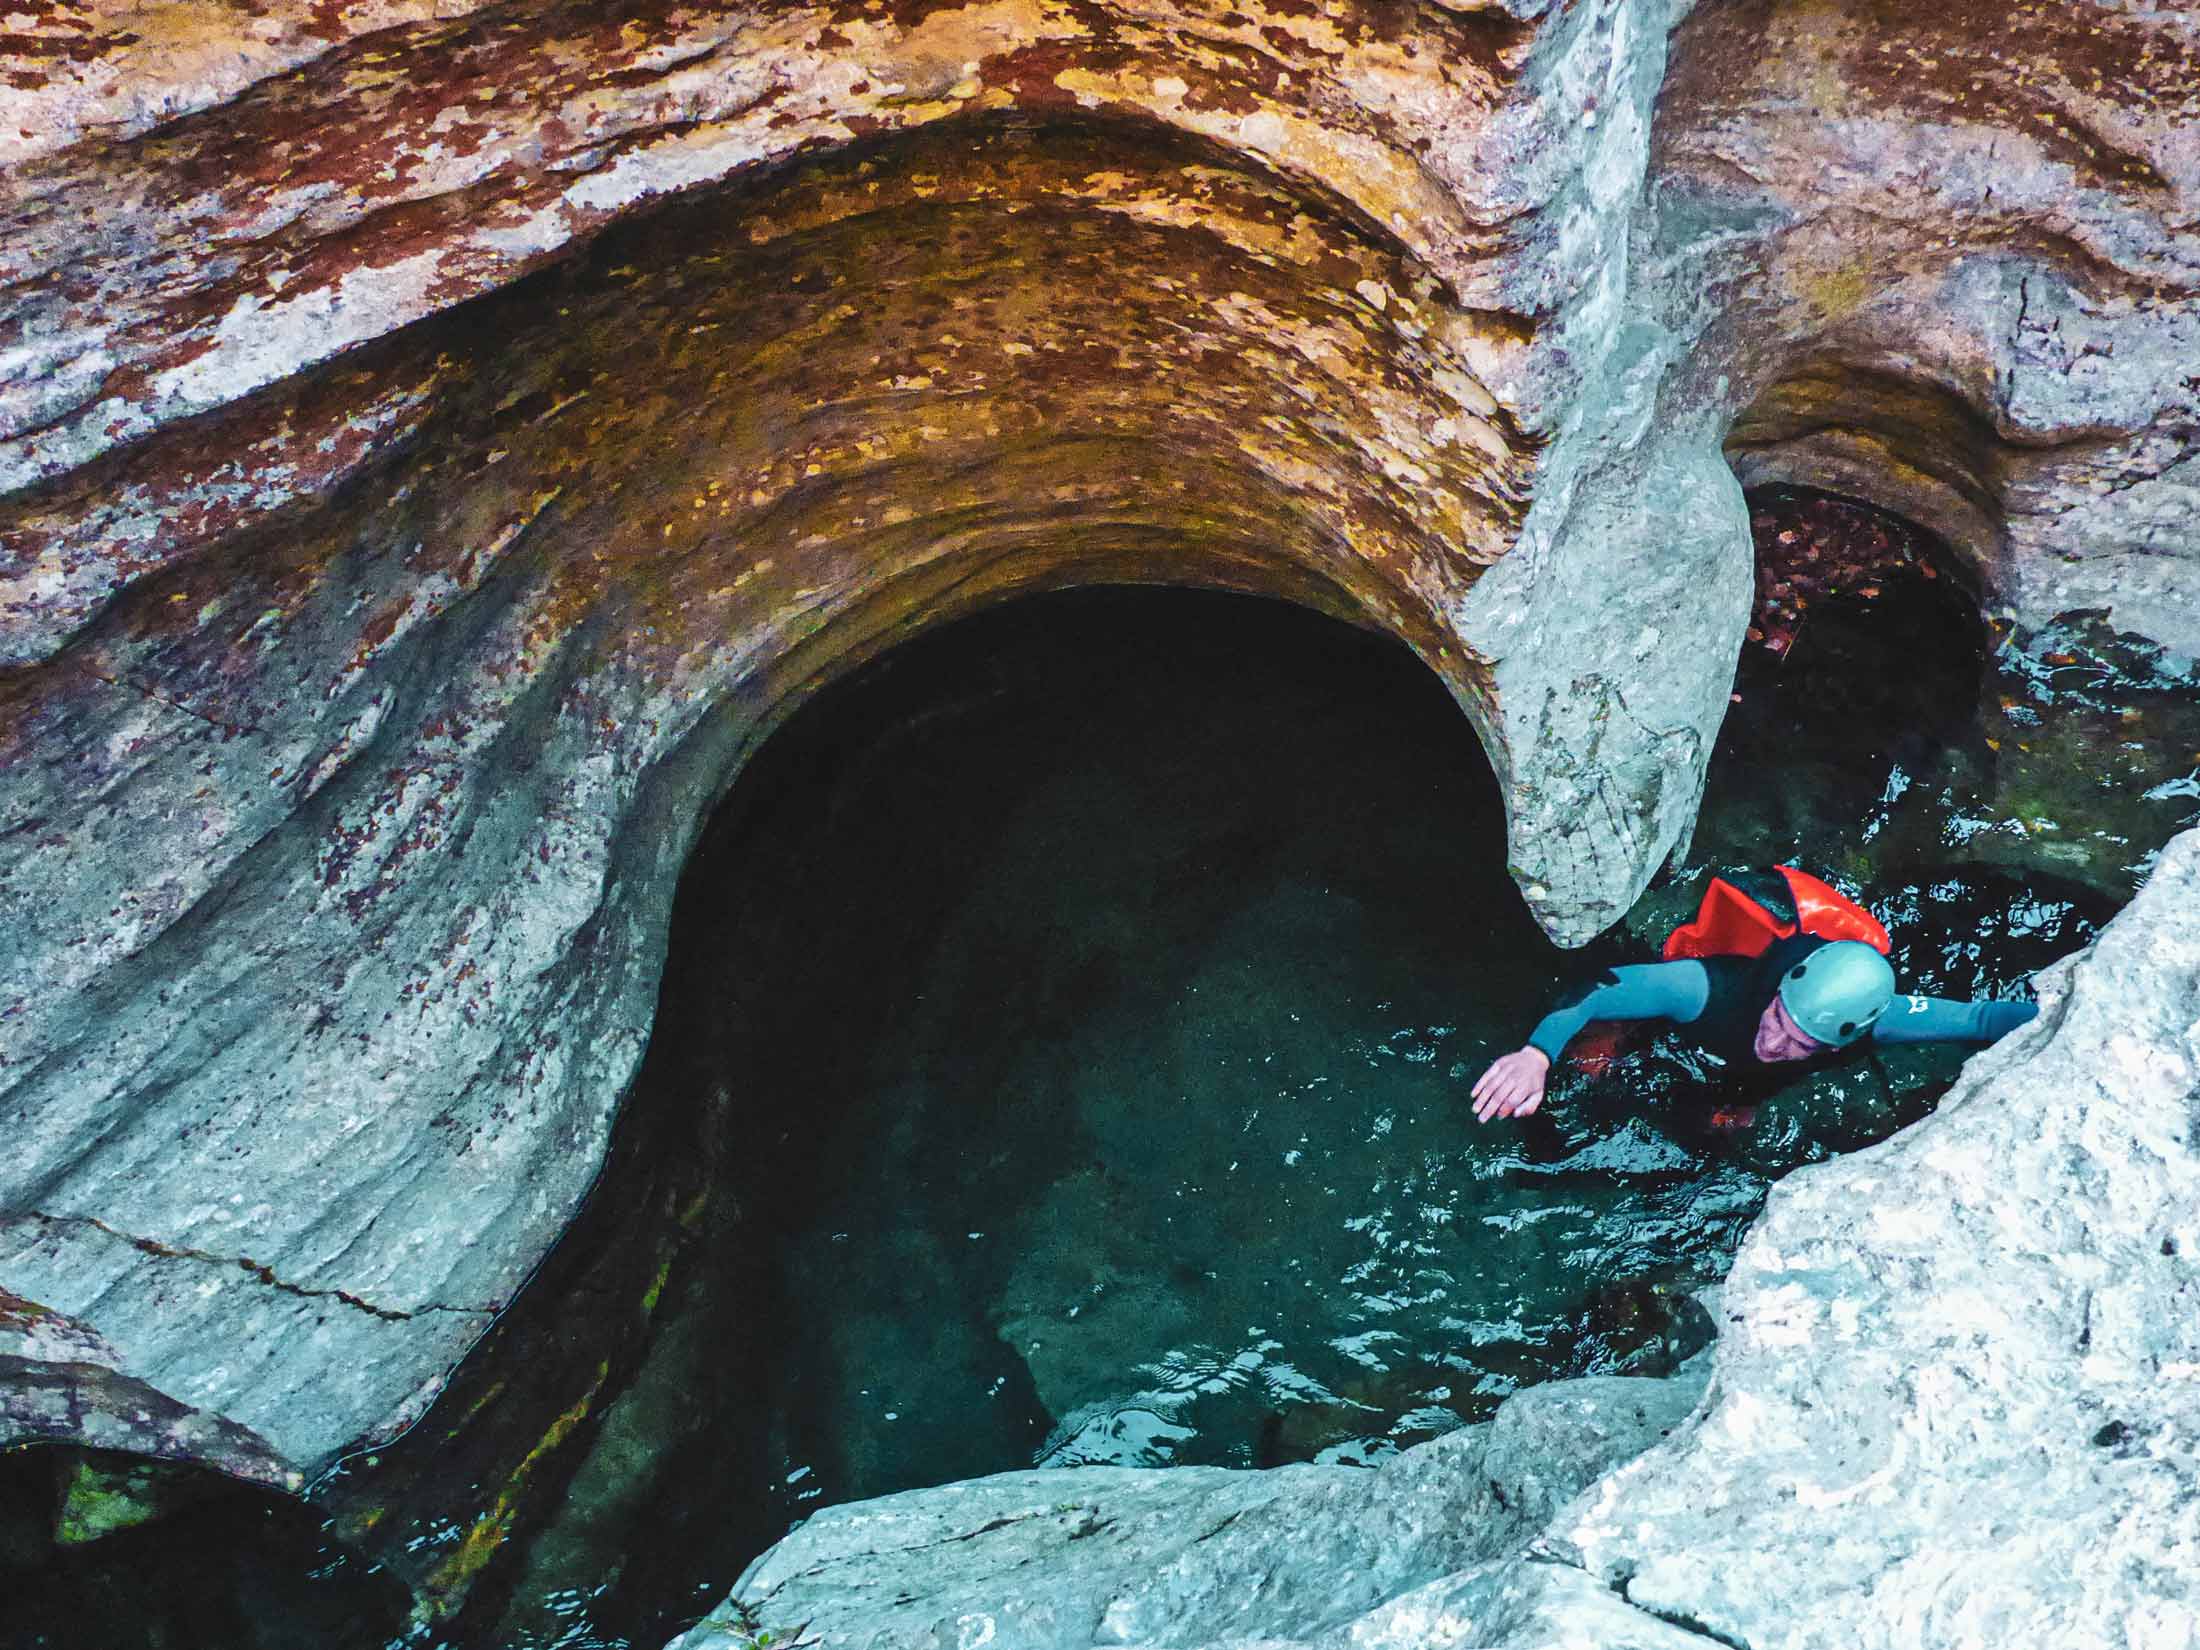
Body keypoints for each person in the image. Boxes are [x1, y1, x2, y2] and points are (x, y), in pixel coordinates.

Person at [1470, 872, 2040, 1126]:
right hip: (1681, 1028)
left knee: (1720, 1137)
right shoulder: (1708, 988)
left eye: (1800, 1043)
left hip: (1733, 1080)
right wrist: (1536, 1055)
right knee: (1585, 1076)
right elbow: (1599, 989)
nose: (1775, 1041)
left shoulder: (1875, 1020)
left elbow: (1984, 1017)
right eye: (1778, 1020)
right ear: (1779, 993)